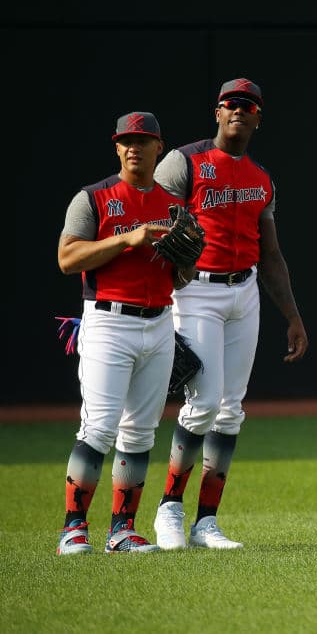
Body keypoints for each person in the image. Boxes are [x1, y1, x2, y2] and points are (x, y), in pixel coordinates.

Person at [152, 78, 309, 550]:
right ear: (216, 113)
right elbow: (153, 224)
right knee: (202, 403)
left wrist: (294, 316)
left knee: (230, 410)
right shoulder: (184, 161)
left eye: (248, 105)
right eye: (230, 104)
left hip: (244, 294)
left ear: (258, 117)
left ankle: (207, 522)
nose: (239, 110)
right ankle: (170, 508)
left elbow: (273, 255)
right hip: (195, 290)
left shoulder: (262, 178)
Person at [57, 112, 196, 554]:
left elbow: (178, 278)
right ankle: (73, 529)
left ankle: (122, 530)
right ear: (116, 148)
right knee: (98, 427)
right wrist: (126, 239)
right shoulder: (94, 198)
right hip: (108, 320)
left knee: (139, 433)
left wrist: (187, 264)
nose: (134, 147)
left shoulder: (174, 206)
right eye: (126, 140)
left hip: (158, 322)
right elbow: (67, 258)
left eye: (143, 140)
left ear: (160, 148)